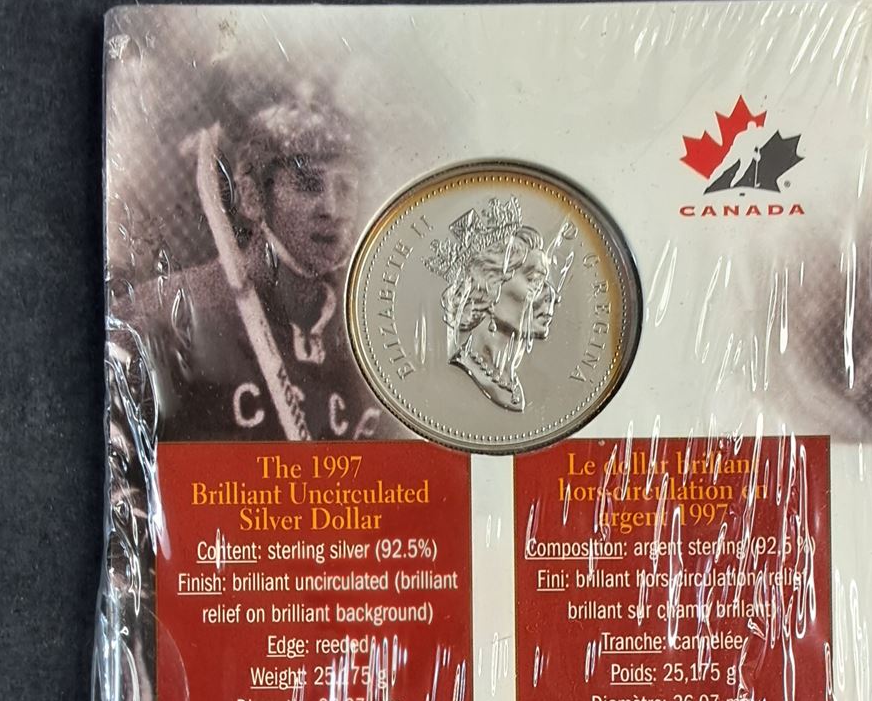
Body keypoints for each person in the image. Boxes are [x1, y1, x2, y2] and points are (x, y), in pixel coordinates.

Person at [120, 91, 393, 442]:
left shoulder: (365, 337)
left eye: (346, 188)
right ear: (251, 197)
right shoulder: (168, 313)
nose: (332, 209)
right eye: (309, 185)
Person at [426, 193, 575, 413]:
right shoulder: (451, 382)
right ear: (489, 286)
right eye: (535, 280)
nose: (553, 295)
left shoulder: (511, 384)